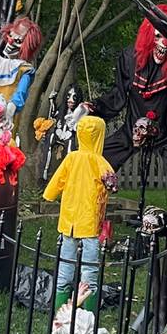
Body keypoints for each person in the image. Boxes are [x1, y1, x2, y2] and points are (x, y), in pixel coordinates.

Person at [88, 5, 167, 209]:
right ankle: (87, 211)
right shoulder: (130, 58)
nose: (163, 44)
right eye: (157, 37)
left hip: (165, 133)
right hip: (131, 128)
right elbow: (118, 95)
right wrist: (93, 108)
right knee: (95, 161)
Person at [42, 114, 117, 313]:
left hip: (69, 221)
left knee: (65, 265)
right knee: (89, 268)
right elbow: (111, 182)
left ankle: (60, 310)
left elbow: (56, 182)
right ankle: (88, 312)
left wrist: (49, 195)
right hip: (90, 222)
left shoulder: (72, 157)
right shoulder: (100, 162)